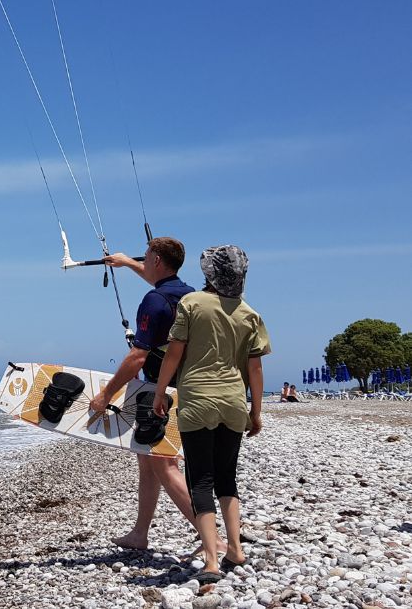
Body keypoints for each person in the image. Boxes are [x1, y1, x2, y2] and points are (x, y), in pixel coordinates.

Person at [152, 244, 270, 584]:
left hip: (198, 400)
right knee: (227, 478)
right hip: (234, 402)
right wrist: (256, 411)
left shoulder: (191, 304)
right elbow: (256, 368)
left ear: (209, 274)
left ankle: (211, 560)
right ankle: (235, 548)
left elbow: (174, 354)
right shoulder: (250, 313)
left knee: (200, 479)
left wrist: (160, 392)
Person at [91, 237, 199, 551]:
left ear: (157, 260)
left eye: (147, 255)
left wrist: (106, 395)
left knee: (165, 465)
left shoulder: (153, 301)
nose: (144, 259)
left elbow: (137, 357)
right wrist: (125, 263)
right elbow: (158, 281)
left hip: (162, 394)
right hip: (184, 387)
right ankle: (140, 534)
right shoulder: (189, 294)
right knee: (147, 460)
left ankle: (214, 539)